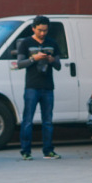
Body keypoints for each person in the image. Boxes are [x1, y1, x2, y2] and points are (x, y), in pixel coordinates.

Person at [14, 15, 62, 160]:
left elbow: (59, 66)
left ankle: (48, 150)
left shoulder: (52, 43)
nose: (42, 33)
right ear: (33, 28)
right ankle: (25, 151)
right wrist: (34, 58)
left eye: (45, 30)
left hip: (48, 86)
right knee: (28, 120)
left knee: (48, 121)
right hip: (32, 86)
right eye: (40, 30)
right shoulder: (26, 43)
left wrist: (51, 60)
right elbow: (19, 63)